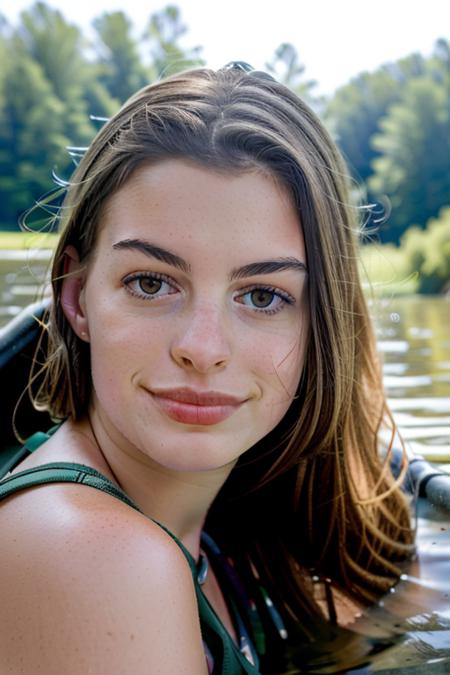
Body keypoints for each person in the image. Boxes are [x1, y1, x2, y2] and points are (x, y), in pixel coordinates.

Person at [0, 62, 414, 674]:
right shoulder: (95, 560)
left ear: (320, 326)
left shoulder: (219, 524)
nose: (203, 347)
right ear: (76, 297)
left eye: (263, 295)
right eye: (150, 282)